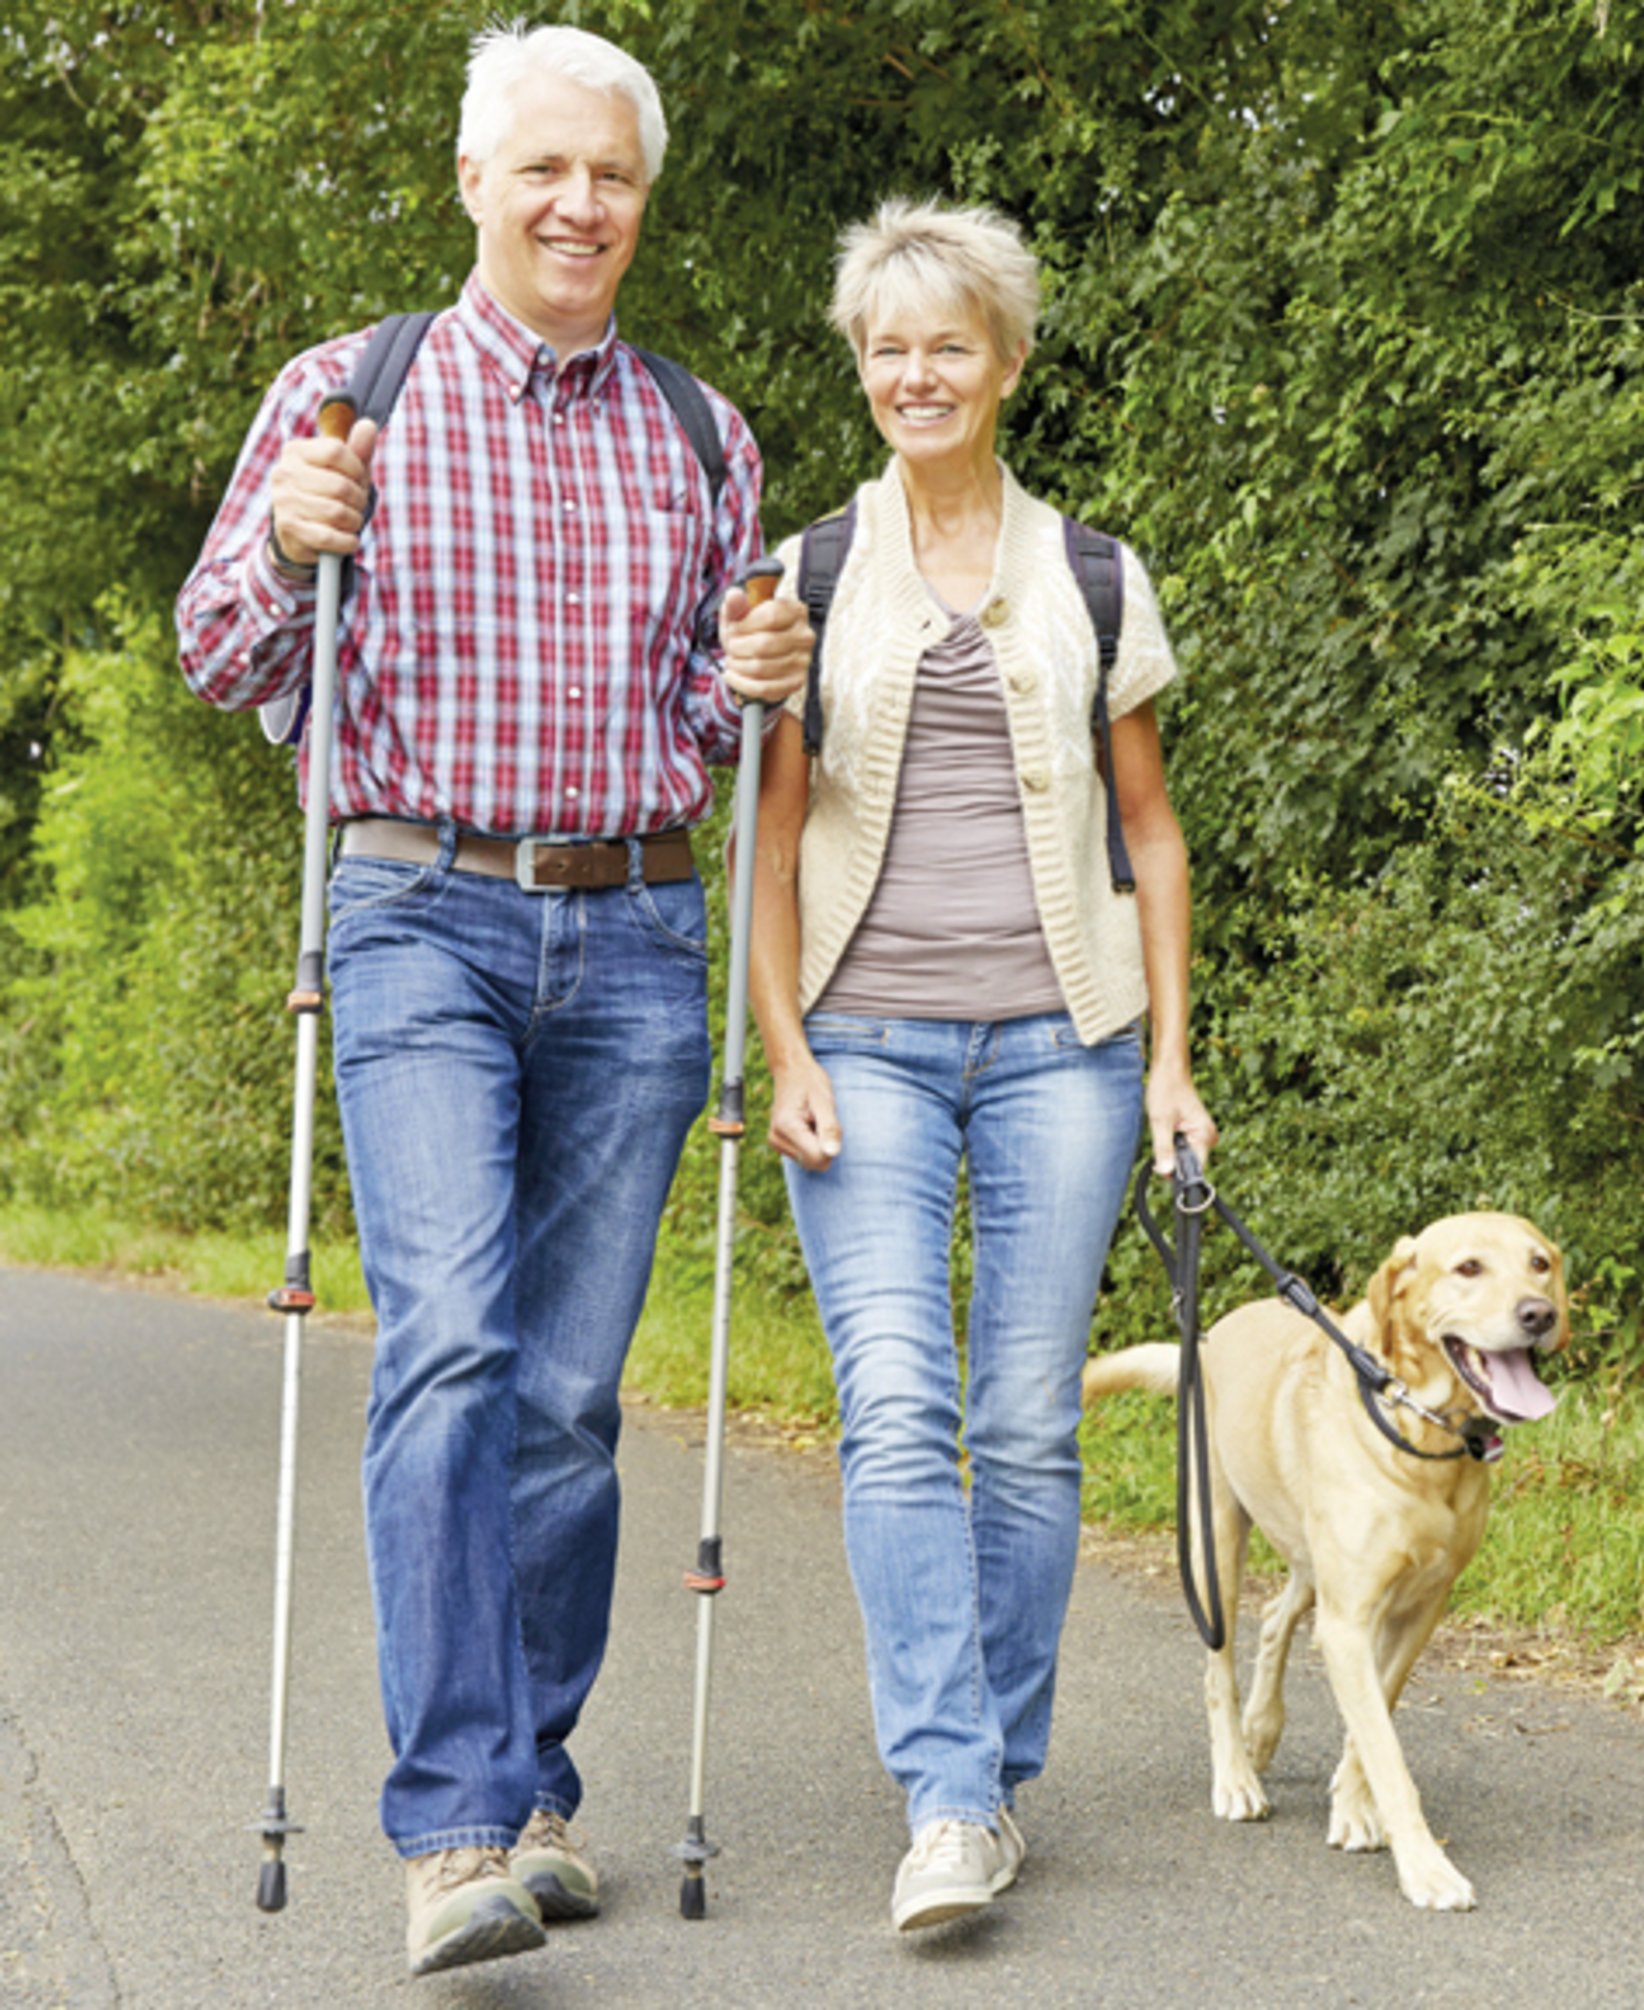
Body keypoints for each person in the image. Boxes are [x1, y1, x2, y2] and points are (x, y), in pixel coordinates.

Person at [175, 24, 812, 1978]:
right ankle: (451, 1831)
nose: (578, 204)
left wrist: (772, 665)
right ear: (475, 182)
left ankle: (537, 1785)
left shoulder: (703, 435)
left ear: (642, 197)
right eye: (544, 169)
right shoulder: (347, 395)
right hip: (414, 919)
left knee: (561, 1396)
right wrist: (288, 548)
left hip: (631, 938)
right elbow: (217, 649)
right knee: (448, 1344)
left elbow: (715, 727)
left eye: (610, 175)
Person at [750, 198, 1216, 1933]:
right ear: (862, 369)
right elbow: (771, 841)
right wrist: (782, 1042)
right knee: (895, 1404)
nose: (916, 373)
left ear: (1007, 363)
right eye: (889, 347)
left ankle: (993, 1770)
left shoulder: (1094, 571)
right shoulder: (805, 574)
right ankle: (947, 1791)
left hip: (1065, 1051)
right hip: (862, 1043)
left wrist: (1170, 1058)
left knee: (1023, 1424)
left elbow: (1152, 835)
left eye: (950, 343)